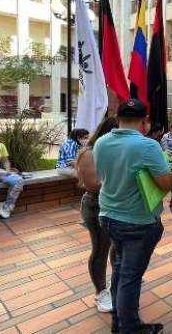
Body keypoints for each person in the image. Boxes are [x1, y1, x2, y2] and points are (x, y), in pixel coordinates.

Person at [94, 99, 172, 334]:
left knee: (120, 270)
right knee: (130, 278)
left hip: (107, 216)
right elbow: (165, 182)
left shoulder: (101, 143)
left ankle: (120, 322)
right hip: (137, 221)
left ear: (118, 119)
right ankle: (130, 329)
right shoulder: (147, 146)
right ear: (145, 122)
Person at [75, 117, 118, 314]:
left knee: (118, 245)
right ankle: (101, 292)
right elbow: (92, 185)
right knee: (101, 248)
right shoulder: (89, 153)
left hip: (118, 204)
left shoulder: (118, 150)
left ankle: (118, 279)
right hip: (97, 205)